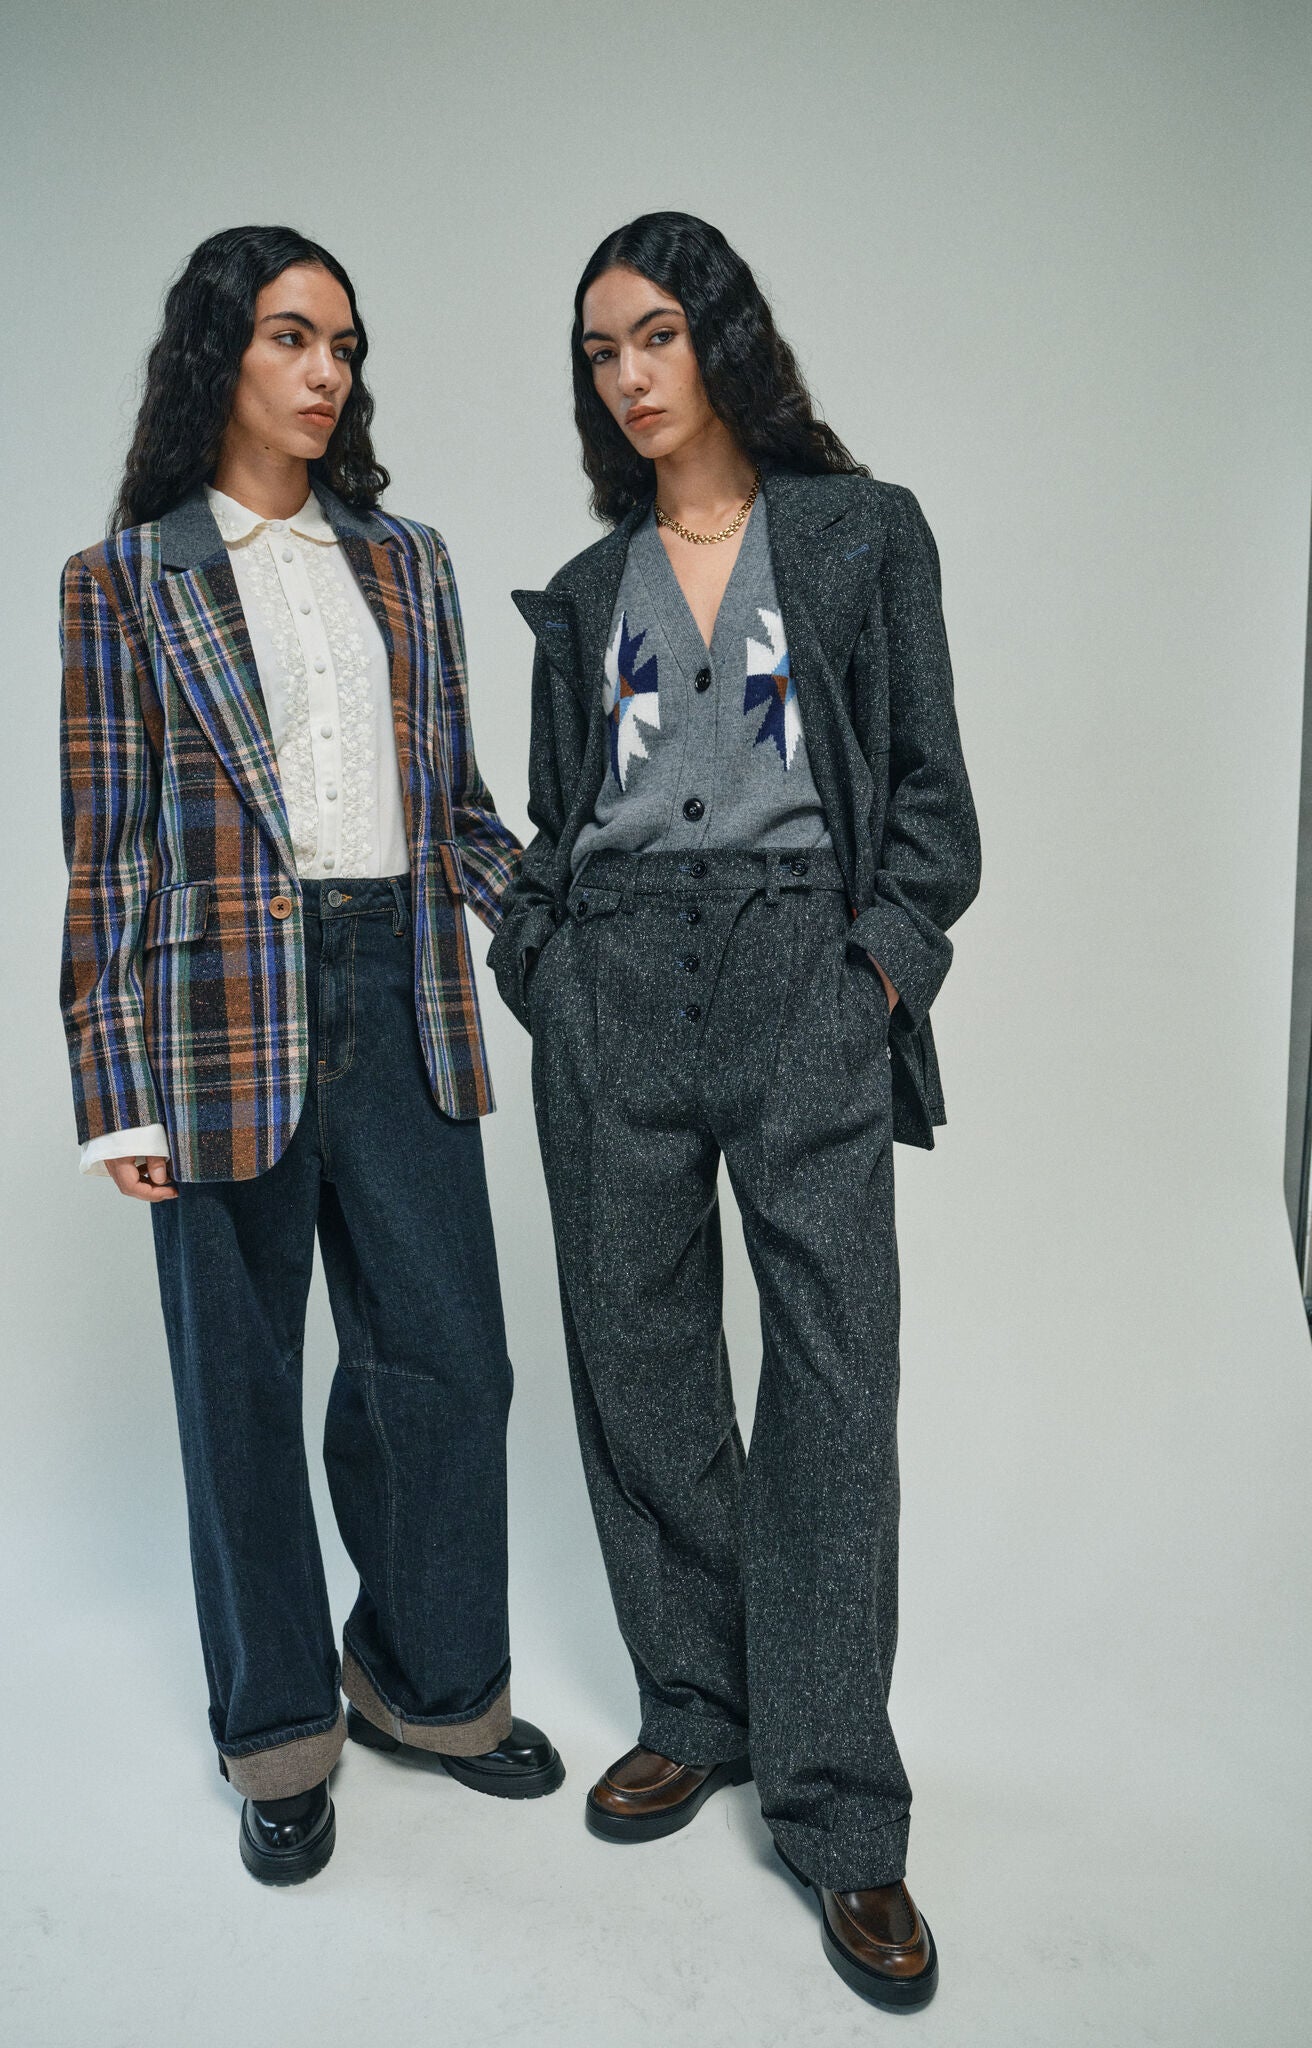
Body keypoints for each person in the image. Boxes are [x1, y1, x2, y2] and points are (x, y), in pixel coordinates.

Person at [489, 212, 978, 2009]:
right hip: (613, 985)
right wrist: (543, 967)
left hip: (800, 982)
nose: (628, 376)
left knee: (835, 1384)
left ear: (722, 339)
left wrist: (871, 981)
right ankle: (698, 1705)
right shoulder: (585, 588)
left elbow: (930, 802)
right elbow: (552, 823)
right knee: (641, 1361)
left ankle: (840, 1808)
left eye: (655, 335)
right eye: (599, 351)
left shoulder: (859, 535)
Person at [59, 224, 563, 1887]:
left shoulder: (407, 561)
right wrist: (111, 1084)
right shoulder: (121, 580)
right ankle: (278, 1732)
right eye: (293, 337)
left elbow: (460, 813)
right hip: (213, 1024)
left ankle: (429, 1685)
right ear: (221, 356)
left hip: (401, 987)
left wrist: (572, 938)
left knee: (449, 1368)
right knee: (240, 1393)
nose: (327, 370)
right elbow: (107, 853)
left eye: (344, 344)